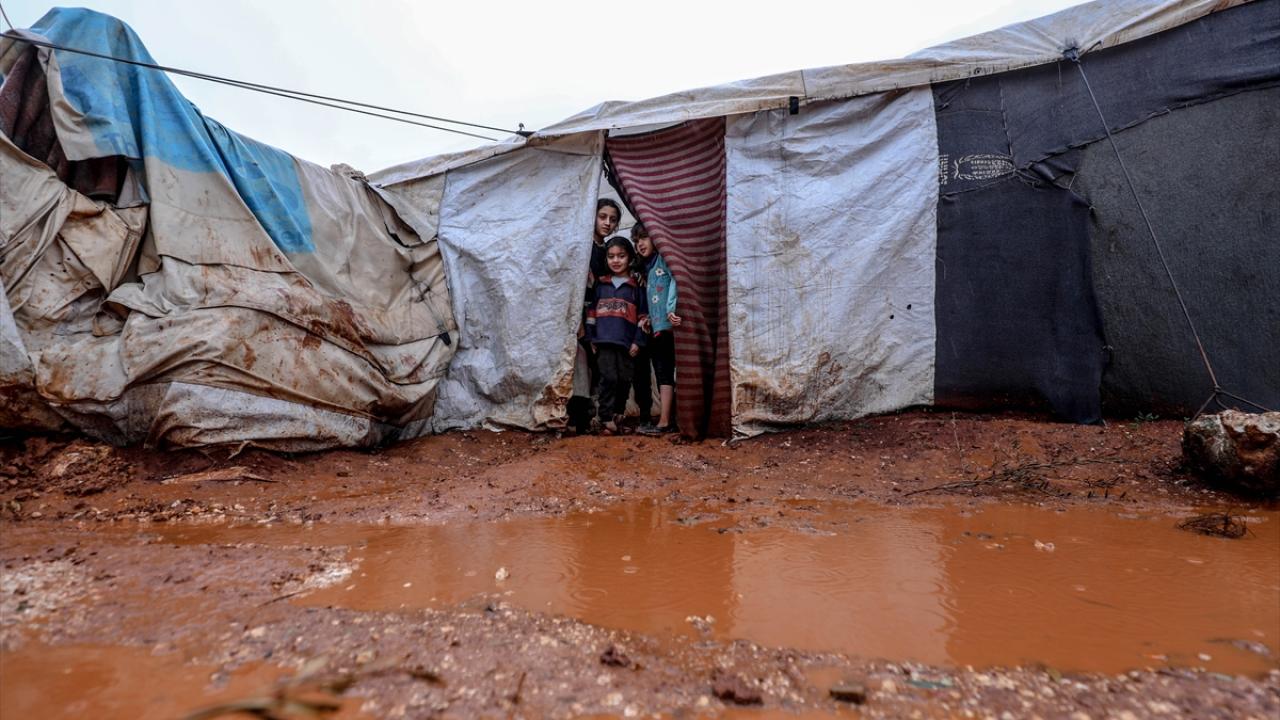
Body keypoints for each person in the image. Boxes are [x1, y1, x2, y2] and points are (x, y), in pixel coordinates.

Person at [570, 199, 623, 433]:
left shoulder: (608, 251)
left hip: (604, 315)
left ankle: (594, 416)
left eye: (613, 219)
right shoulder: (582, 246)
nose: (607, 223)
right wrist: (578, 320)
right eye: (602, 217)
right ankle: (577, 419)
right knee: (581, 363)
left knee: (599, 363)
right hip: (582, 312)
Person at [587, 236, 647, 434]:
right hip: (603, 340)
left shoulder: (636, 286)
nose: (616, 260)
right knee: (608, 378)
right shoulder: (601, 285)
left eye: (621, 256)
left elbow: (643, 317)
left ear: (630, 258)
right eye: (611, 256)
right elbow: (591, 313)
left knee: (624, 379)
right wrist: (591, 336)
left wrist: (638, 341)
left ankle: (617, 414)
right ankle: (605, 417)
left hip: (626, 343)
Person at [631, 222, 681, 434]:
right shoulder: (648, 267)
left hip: (669, 326)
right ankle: (666, 419)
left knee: (667, 372)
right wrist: (650, 318)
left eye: (644, 238)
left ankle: (665, 421)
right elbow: (655, 297)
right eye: (636, 241)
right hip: (658, 327)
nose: (640, 244)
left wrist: (671, 308)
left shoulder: (664, 259)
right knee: (662, 371)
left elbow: (676, 280)